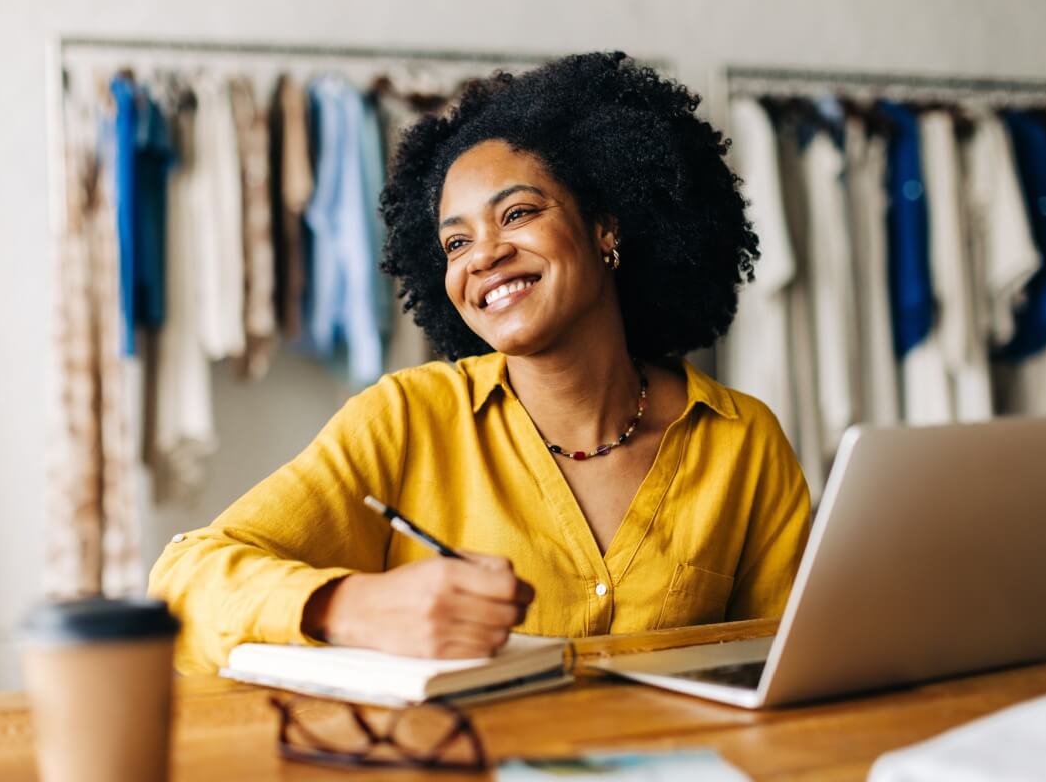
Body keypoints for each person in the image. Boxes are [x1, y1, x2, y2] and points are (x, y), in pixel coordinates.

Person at [149, 51, 811, 674]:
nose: (482, 256)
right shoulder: (405, 421)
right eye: (455, 242)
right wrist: (353, 606)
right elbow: (183, 583)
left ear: (606, 227)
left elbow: (794, 667)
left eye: (517, 213)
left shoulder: (743, 442)